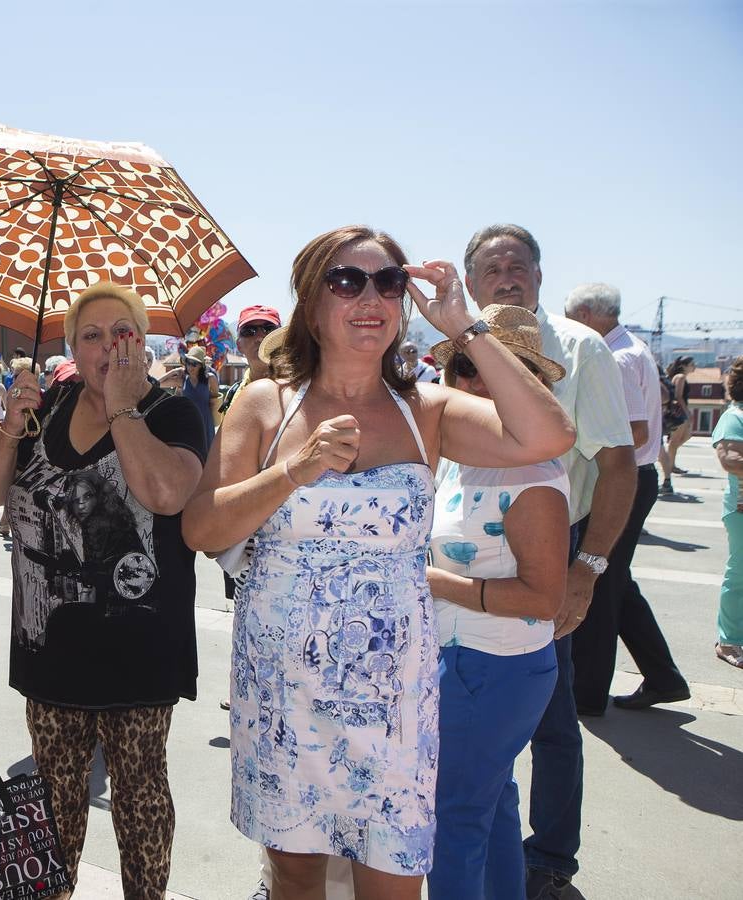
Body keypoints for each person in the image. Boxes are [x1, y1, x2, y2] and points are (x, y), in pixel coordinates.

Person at [183, 225, 573, 897]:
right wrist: (293, 472)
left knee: (393, 877)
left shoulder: (425, 409)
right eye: (347, 281)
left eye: (389, 281)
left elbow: (547, 434)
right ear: (311, 302)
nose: (371, 297)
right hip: (284, 686)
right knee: (295, 878)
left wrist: (464, 325)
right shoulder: (265, 403)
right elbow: (200, 526)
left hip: (393, 693)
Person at [0, 281, 207, 898]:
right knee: (53, 807)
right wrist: (9, 426)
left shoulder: (171, 411)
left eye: (120, 332)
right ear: (72, 348)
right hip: (50, 648)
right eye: (91, 335)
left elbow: (167, 494)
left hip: (139, 649)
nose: (107, 347)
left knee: (138, 801)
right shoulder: (48, 407)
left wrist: (125, 405)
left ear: (142, 340)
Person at [462, 223, 635, 900]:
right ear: (471, 282)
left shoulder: (581, 348)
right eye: (493, 268)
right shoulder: (452, 347)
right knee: (463, 708)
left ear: (538, 276)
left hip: (549, 549)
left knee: (551, 718)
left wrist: (585, 569)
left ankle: (551, 860)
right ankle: (480, 842)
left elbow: (618, 464)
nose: (508, 277)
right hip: (462, 545)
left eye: (520, 266)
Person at [426, 304, 571, 900]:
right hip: (470, 662)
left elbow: (544, 596)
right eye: (464, 366)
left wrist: (433, 582)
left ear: (528, 382)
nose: (476, 383)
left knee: (453, 821)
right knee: (490, 808)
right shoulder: (468, 460)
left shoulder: (530, 473)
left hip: (491, 665)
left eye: (499, 366)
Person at [564, 283, 690, 715]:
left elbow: (632, 431)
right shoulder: (631, 349)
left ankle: (588, 694)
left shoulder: (614, 359)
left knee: (596, 581)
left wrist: (572, 433)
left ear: (586, 314)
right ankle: (663, 677)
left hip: (622, 480)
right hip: (635, 476)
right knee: (616, 581)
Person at [712, 358, 743, 669]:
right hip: (741, 509)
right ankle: (729, 640)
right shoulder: (734, 417)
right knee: (740, 576)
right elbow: (731, 459)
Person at [218, 305, 283, 425]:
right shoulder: (233, 394)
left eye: (268, 329)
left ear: (282, 340)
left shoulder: (301, 390)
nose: (259, 337)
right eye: (249, 331)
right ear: (239, 345)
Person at [160, 344, 219, 450]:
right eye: (188, 363)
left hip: (205, 422)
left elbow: (216, 399)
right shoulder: (181, 380)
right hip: (187, 421)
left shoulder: (210, 379)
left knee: (207, 456)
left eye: (194, 364)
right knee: (190, 455)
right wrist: (173, 372)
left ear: (201, 365)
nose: (190, 367)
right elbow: (157, 383)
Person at [659, 356, 695, 494]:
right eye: (692, 364)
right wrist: (687, 412)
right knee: (675, 442)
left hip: (677, 411)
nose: (694, 366)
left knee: (684, 437)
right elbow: (679, 396)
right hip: (680, 412)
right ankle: (671, 465)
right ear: (684, 365)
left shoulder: (678, 376)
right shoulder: (680, 377)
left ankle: (670, 463)